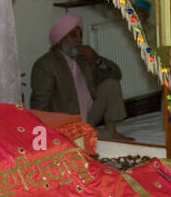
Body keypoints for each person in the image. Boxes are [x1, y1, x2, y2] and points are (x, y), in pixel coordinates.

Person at [29, 13, 133, 142]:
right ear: (60, 39)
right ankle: (84, 137)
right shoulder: (46, 65)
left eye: (80, 36)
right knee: (99, 145)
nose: (79, 40)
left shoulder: (84, 57)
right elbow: (40, 106)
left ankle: (111, 131)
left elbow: (116, 74)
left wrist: (96, 59)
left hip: (90, 115)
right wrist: (45, 138)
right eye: (73, 35)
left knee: (111, 83)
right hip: (67, 123)